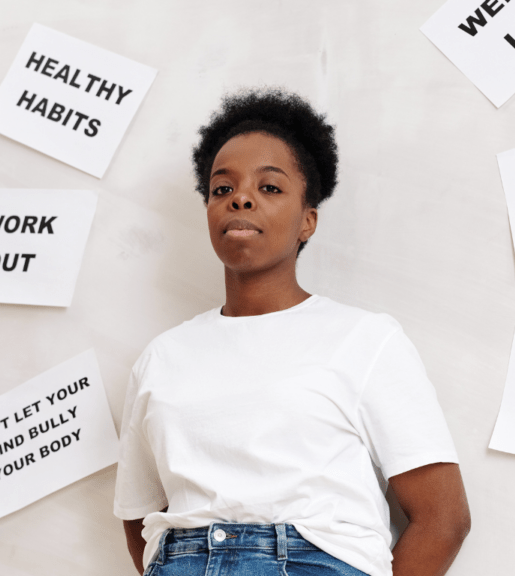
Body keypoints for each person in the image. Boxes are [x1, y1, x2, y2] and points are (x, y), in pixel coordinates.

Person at [113, 88, 471, 576]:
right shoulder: (161, 358)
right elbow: (138, 517)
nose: (240, 198)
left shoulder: (365, 340)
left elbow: (443, 519)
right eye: (223, 189)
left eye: (270, 188)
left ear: (308, 221)